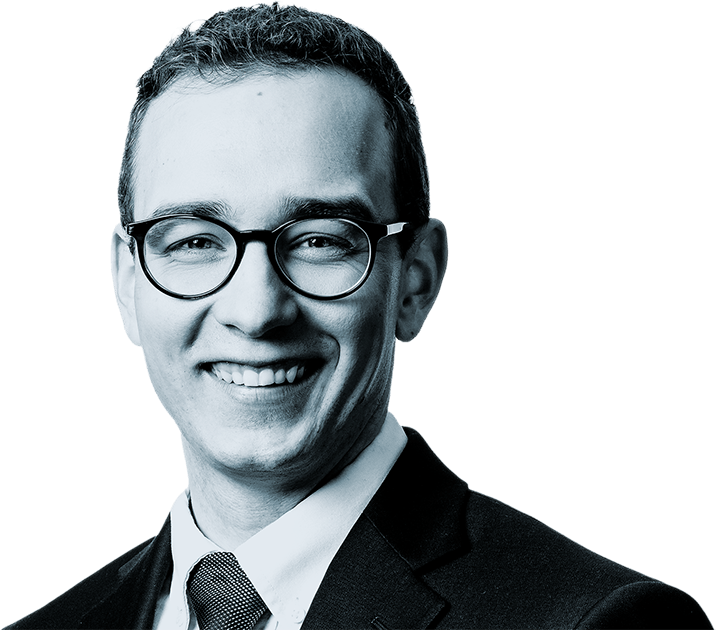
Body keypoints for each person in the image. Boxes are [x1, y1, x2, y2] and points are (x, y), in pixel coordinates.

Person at [6, 3, 712, 629]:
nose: (256, 311)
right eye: (193, 241)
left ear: (417, 279)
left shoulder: (601, 622)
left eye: (320, 240)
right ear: (126, 280)